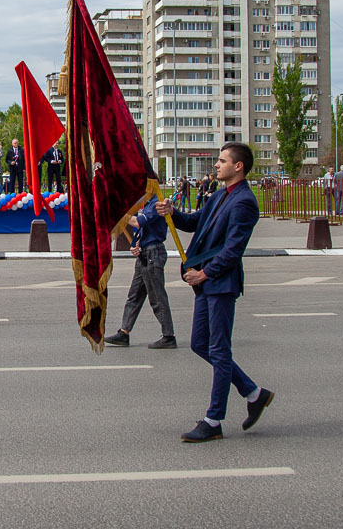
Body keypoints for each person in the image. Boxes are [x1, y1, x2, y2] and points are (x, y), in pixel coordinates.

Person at [157, 142, 274, 443]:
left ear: (239, 167)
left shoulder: (245, 201)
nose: (217, 165)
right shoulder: (220, 195)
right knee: (199, 344)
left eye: (223, 160)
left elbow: (234, 249)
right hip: (206, 283)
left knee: (219, 350)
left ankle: (214, 420)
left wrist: (205, 273)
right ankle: (253, 392)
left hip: (220, 283)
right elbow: (197, 222)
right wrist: (173, 212)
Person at [104, 196, 175, 349]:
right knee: (134, 296)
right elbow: (145, 230)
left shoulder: (157, 203)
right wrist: (136, 244)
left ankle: (168, 335)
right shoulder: (149, 204)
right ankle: (124, 332)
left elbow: (138, 222)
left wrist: (120, 214)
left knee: (156, 296)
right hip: (145, 252)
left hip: (153, 253)